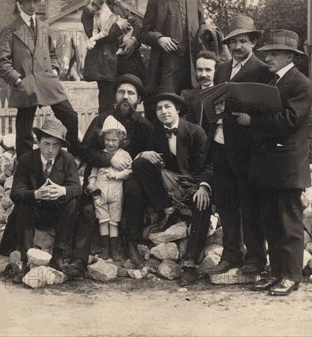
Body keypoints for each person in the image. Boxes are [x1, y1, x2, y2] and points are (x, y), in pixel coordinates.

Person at [232, 29, 312, 296]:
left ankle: (291, 276)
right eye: (267, 52)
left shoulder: (300, 83)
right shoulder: (272, 80)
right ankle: (277, 273)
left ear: (290, 55)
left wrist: (252, 121)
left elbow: (290, 120)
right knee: (270, 222)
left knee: (289, 223)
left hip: (287, 166)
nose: (268, 57)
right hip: (267, 165)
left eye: (275, 53)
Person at [204, 15, 272, 276]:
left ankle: (255, 258)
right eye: (233, 42)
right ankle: (231, 254)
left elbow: (266, 109)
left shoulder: (262, 71)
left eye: (243, 41)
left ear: (253, 42)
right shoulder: (221, 69)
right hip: (221, 145)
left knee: (250, 203)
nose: (238, 47)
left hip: (247, 148)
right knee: (226, 203)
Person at [131, 93, 213, 274]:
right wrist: (143, 154)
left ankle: (191, 260)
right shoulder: (157, 131)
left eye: (167, 106)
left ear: (177, 109)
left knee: (202, 204)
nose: (163, 111)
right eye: (159, 108)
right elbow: (150, 161)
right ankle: (167, 210)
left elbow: (210, 165)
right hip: (169, 185)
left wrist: (203, 186)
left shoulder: (196, 131)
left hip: (194, 184)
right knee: (140, 163)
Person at [0, 0, 78, 158]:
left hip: (48, 81)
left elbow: (51, 53)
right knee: (24, 131)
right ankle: (24, 166)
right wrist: (19, 81)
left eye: (36, 1)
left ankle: (73, 158)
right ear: (20, 3)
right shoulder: (10, 30)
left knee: (70, 117)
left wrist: (55, 70)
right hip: (27, 84)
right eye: (28, 1)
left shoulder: (44, 27)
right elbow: (2, 63)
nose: (33, 5)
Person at [78, 73, 152, 268]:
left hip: (128, 176)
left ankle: (130, 243)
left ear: (139, 99)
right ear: (115, 97)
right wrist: (110, 158)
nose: (125, 97)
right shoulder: (101, 120)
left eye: (131, 93)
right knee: (87, 200)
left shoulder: (144, 126)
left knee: (134, 191)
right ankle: (90, 248)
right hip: (100, 173)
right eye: (121, 92)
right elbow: (84, 150)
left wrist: (132, 164)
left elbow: (149, 153)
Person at [7, 119, 82, 284]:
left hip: (57, 213)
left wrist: (62, 190)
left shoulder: (67, 158)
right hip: (35, 212)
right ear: (38, 142)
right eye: (46, 144)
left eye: (56, 146)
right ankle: (26, 261)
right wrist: (36, 194)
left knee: (73, 202)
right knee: (24, 205)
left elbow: (77, 188)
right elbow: (15, 193)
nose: (50, 150)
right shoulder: (27, 160)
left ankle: (58, 256)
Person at [82, 0, 145, 113]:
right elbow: (97, 36)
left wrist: (133, 40)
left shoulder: (119, 5)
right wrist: (120, 25)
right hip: (105, 67)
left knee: (128, 104)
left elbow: (138, 24)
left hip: (126, 63)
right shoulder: (89, 8)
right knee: (107, 106)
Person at [141, 0, 205, 102]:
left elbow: (203, 29)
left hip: (191, 66)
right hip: (166, 66)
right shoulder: (156, 1)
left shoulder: (195, 0)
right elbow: (144, 33)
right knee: (168, 102)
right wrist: (159, 38)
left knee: (191, 105)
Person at [86, 116, 132, 261]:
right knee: (103, 220)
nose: (110, 143)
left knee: (113, 221)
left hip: (116, 193)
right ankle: (105, 248)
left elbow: (129, 171)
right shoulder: (100, 156)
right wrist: (91, 183)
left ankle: (115, 248)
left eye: (114, 140)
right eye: (107, 140)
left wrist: (117, 175)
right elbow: (92, 173)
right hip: (100, 194)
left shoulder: (124, 155)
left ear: (121, 141)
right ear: (103, 139)